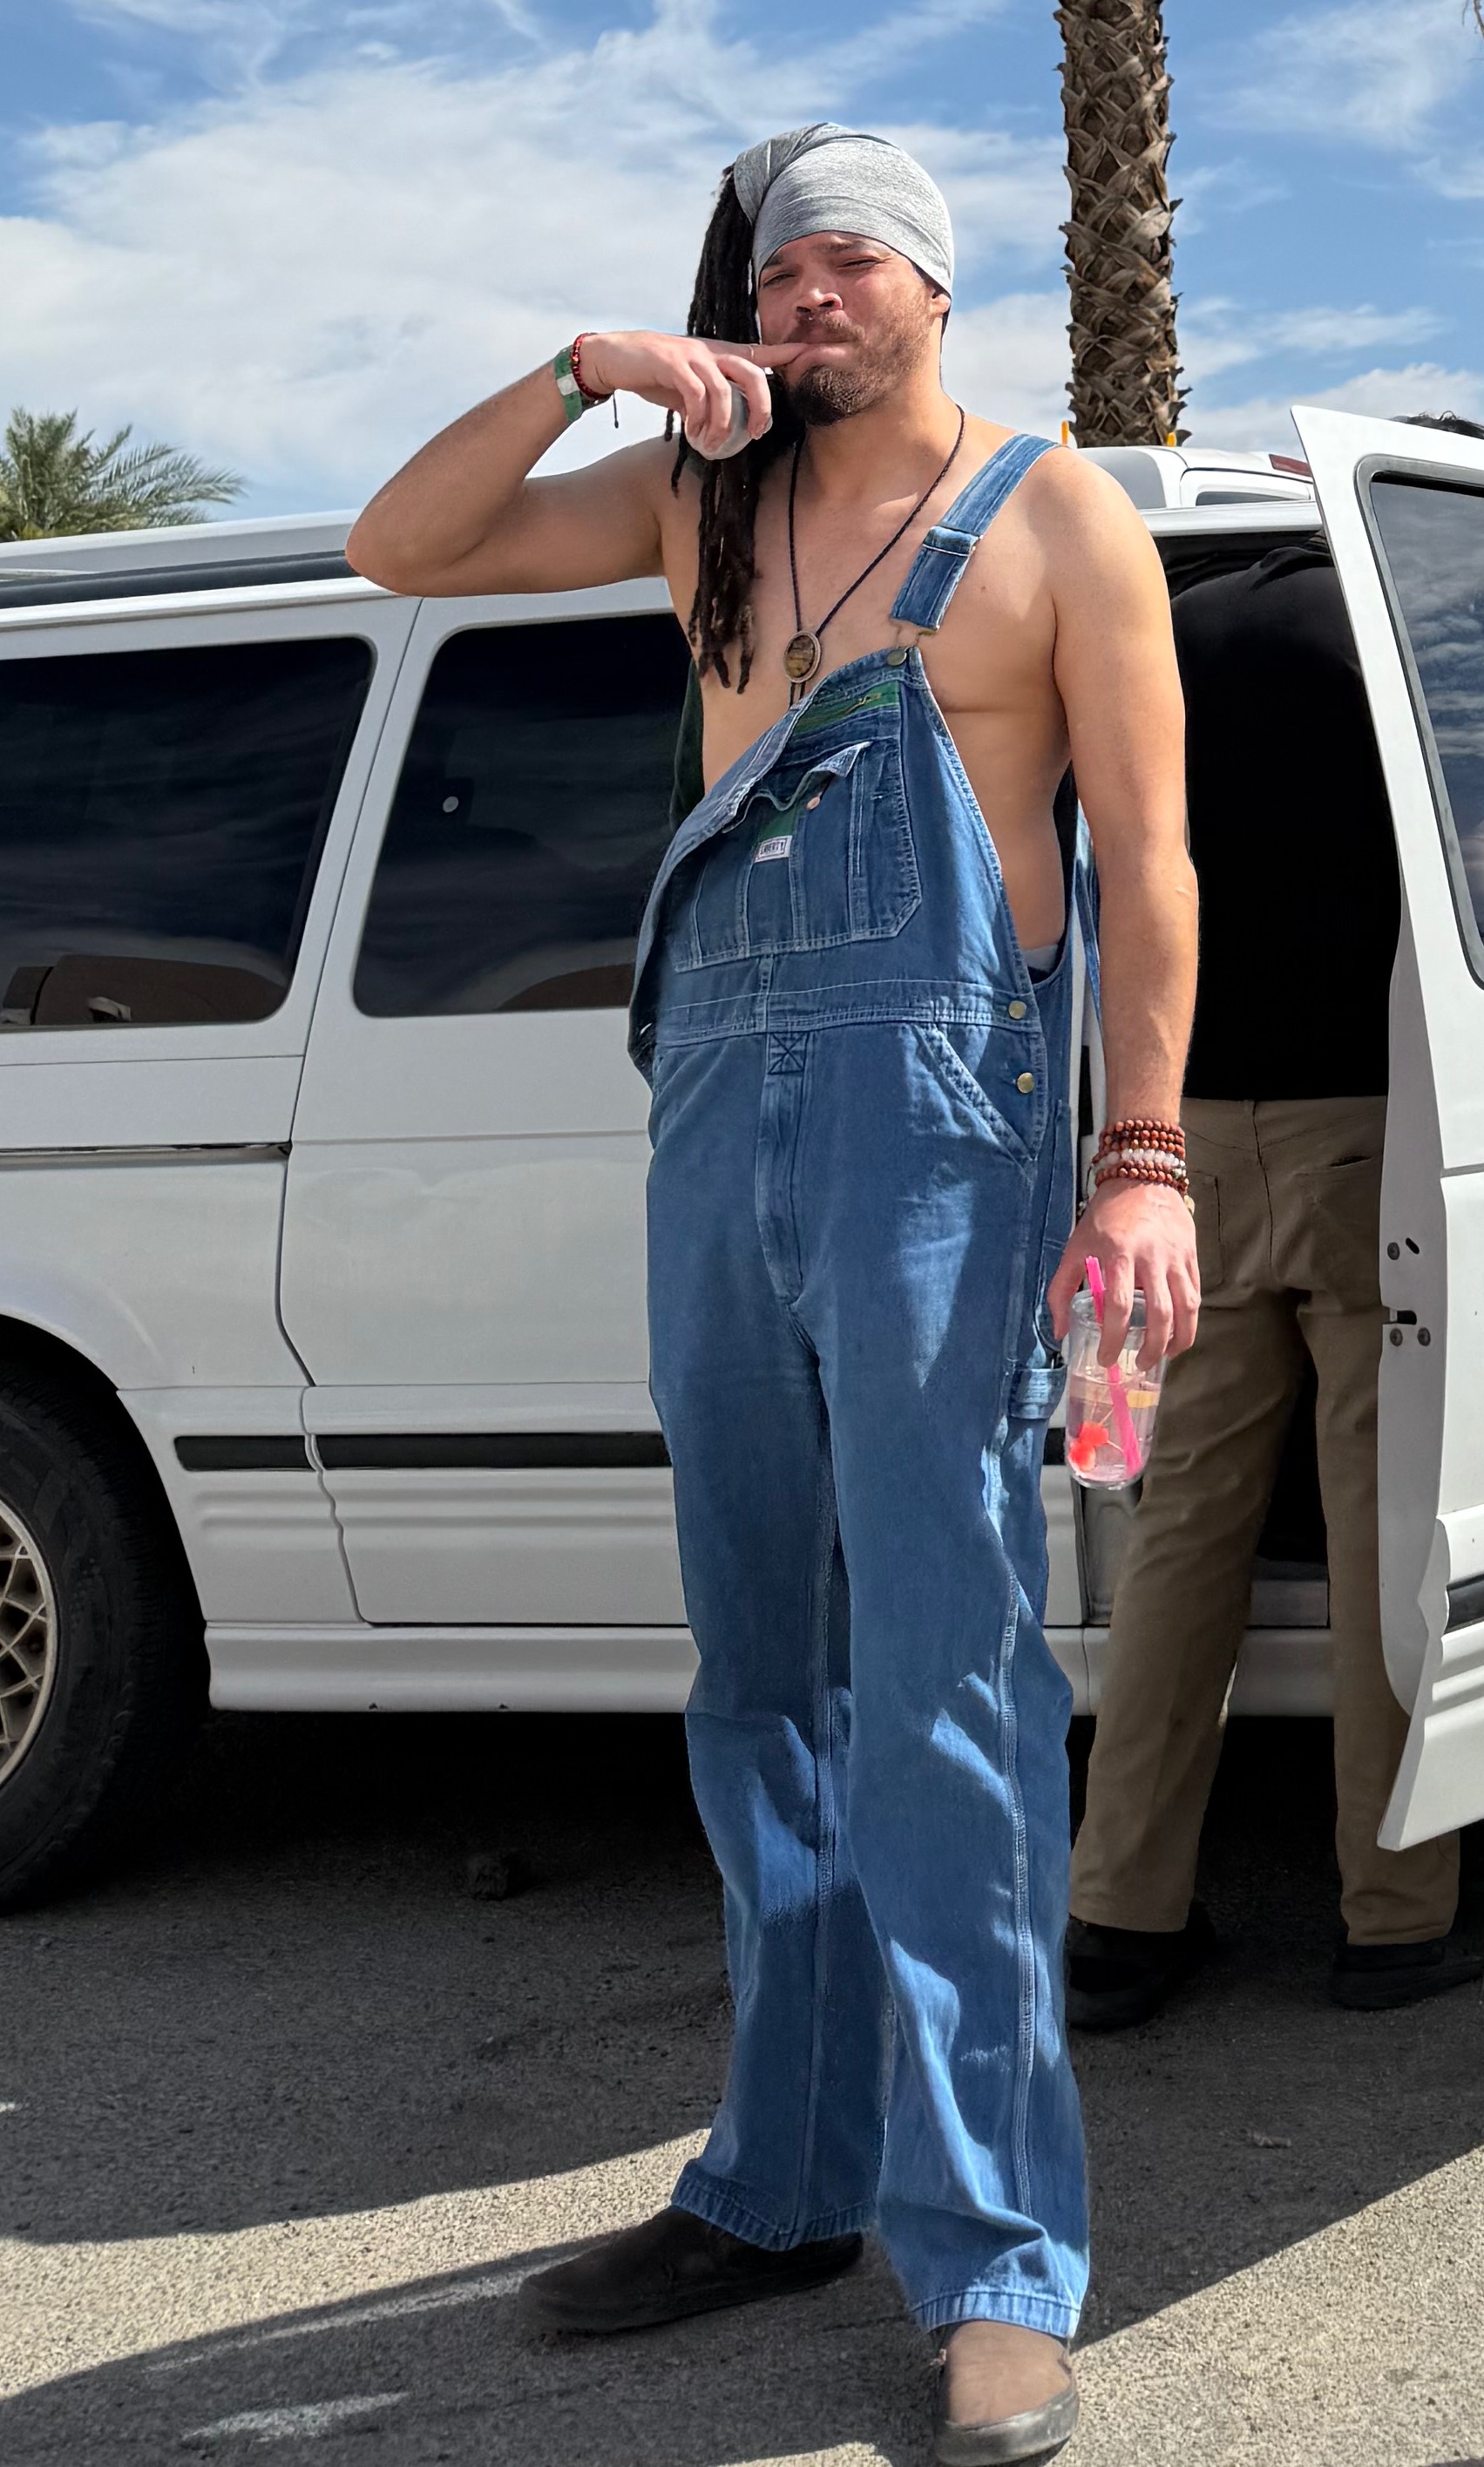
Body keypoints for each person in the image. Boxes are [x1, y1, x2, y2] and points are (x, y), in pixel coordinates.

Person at [348, 126, 1199, 2467]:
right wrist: (584, 370)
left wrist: (1141, 1166)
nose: (803, 297)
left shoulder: (1054, 519)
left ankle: (999, 2263)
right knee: (759, 1678)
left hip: (943, 1132)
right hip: (719, 1117)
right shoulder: (689, 510)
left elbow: (1152, 861)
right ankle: (785, 2178)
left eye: (847, 264)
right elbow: (398, 545)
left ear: (932, 291)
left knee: (947, 1692)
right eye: (773, 271)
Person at [1062, 419, 1484, 2023]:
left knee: (1183, 1530)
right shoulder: (1416, 646)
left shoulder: (1179, 621)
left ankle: (1120, 1911)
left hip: (1180, 1144)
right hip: (1370, 1143)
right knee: (1380, 1529)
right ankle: (1398, 1911)